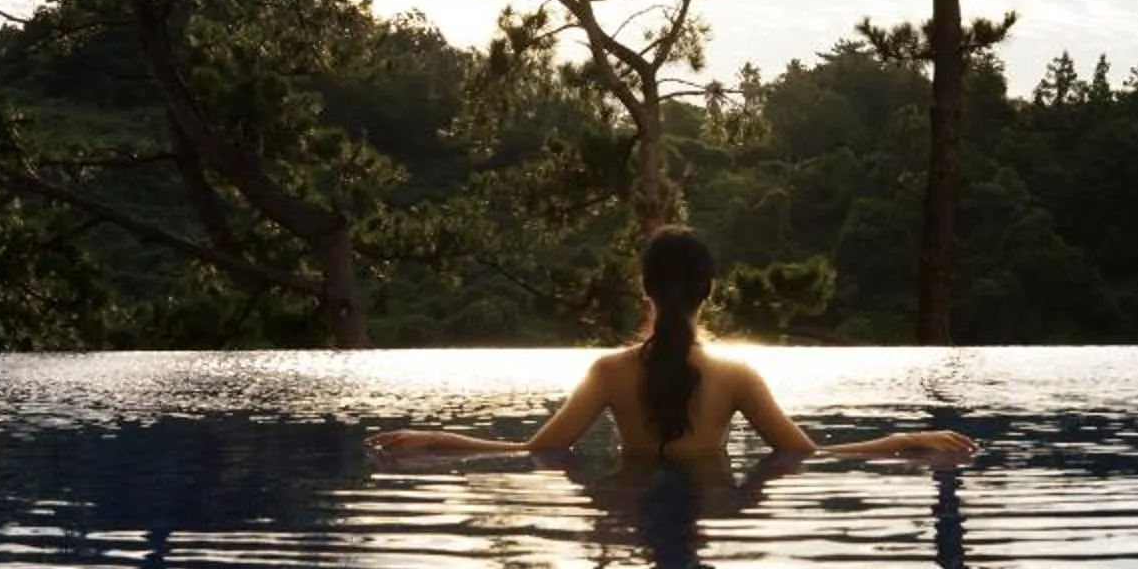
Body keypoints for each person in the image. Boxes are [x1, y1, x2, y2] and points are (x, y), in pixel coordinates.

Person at [369, 227, 978, 463]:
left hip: (630, 501)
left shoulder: (609, 373)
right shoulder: (737, 377)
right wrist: (906, 439)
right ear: (709, 291)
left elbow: (532, 452)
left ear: (645, 290)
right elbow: (810, 457)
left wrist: (434, 438)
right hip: (711, 498)